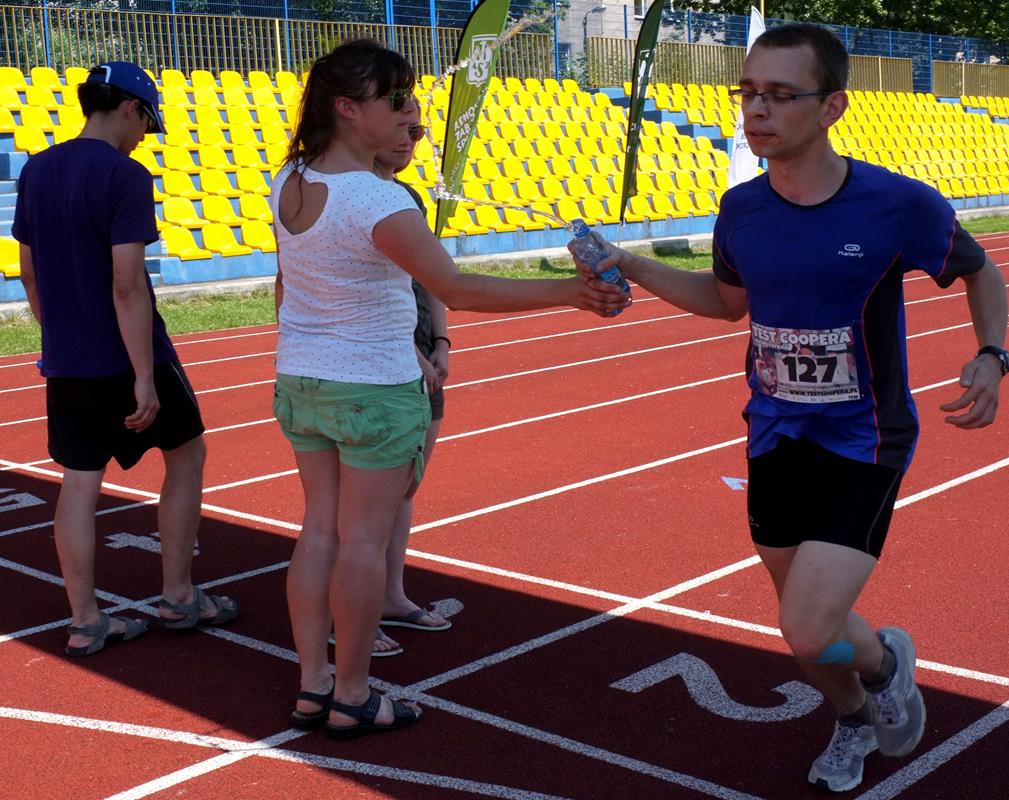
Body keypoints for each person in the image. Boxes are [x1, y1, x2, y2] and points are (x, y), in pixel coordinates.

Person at [569, 24, 1009, 792]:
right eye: (747, 93)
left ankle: (885, 665)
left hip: (862, 437)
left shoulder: (896, 205)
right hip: (774, 433)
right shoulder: (741, 209)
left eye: (778, 95)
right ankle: (853, 715)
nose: (756, 110)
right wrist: (630, 262)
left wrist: (990, 354)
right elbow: (725, 302)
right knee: (806, 631)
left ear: (831, 105)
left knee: (805, 628)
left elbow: (981, 271)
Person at [273, 39, 627, 740]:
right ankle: (352, 693)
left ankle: (314, 685)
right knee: (362, 542)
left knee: (318, 531)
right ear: (347, 108)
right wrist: (572, 293)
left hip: (302, 380)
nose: (412, 114)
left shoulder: (291, 176)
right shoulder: (375, 198)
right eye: (397, 100)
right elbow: (455, 287)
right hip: (373, 387)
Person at [13, 61, 240, 657]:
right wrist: (143, 374)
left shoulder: (36, 169)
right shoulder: (125, 174)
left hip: (68, 358)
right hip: (129, 352)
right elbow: (127, 284)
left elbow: (29, 273)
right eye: (146, 124)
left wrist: (59, 334)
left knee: (80, 481)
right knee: (186, 453)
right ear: (132, 109)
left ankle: (86, 620)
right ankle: (179, 596)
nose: (144, 137)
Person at [370, 113, 452, 659]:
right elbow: (357, 297)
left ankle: (390, 597)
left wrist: (441, 342)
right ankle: (346, 613)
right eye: (401, 128)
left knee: (404, 488)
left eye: (418, 132)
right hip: (383, 366)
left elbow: (433, 275)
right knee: (362, 506)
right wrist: (411, 354)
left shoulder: (408, 198)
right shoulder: (351, 198)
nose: (409, 141)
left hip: (422, 359)